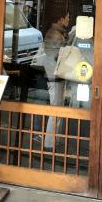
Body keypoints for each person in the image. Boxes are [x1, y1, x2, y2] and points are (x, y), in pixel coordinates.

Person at [43, 12, 69, 149]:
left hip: (53, 75)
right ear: (61, 19)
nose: (69, 20)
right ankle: (49, 143)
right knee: (55, 109)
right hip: (54, 76)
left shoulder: (56, 32)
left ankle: (54, 141)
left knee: (57, 108)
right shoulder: (56, 34)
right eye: (67, 18)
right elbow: (59, 55)